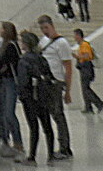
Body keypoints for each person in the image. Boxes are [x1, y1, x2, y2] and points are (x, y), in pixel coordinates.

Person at [15, 29, 56, 166]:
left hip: (30, 98)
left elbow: (23, 81)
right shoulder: (42, 59)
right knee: (47, 126)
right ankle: (51, 154)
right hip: (43, 96)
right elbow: (50, 76)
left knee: (34, 127)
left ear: (26, 44)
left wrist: (21, 95)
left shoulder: (24, 61)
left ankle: (32, 156)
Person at [36, 15, 73, 160]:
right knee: (50, 115)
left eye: (46, 27)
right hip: (44, 82)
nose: (44, 31)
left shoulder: (62, 43)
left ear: (52, 26)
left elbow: (68, 68)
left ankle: (65, 147)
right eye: (42, 28)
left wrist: (68, 91)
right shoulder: (43, 41)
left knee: (58, 115)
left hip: (56, 83)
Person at [0, 21, 23, 158]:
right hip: (5, 81)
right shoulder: (5, 45)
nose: (0, 31)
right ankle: (10, 141)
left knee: (9, 113)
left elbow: (6, 62)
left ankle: (18, 143)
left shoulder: (11, 46)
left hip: (11, 81)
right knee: (5, 113)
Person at [72, 29, 103, 113]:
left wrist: (78, 56)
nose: (74, 38)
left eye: (75, 35)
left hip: (86, 69)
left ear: (79, 35)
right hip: (83, 68)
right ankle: (88, 107)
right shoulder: (81, 45)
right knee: (84, 88)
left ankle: (99, 103)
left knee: (86, 89)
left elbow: (87, 56)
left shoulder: (84, 45)